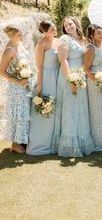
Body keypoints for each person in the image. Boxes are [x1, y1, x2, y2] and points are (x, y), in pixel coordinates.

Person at [52, 16, 94, 157]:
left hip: (81, 76)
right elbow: (63, 60)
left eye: (70, 24)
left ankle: (82, 142)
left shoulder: (82, 41)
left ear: (76, 24)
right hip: (68, 76)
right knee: (70, 109)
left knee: (81, 109)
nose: (68, 27)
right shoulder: (65, 39)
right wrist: (71, 79)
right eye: (65, 25)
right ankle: (69, 145)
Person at [26, 20, 59, 155]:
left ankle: (52, 142)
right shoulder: (41, 43)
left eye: (54, 27)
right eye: (51, 29)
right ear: (44, 32)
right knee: (45, 106)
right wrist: (39, 84)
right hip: (46, 77)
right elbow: (38, 66)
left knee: (55, 109)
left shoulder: (57, 41)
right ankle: (39, 143)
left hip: (57, 76)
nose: (54, 30)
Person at [0, 25, 31, 153]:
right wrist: (17, 80)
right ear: (12, 35)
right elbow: (1, 71)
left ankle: (22, 140)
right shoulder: (8, 50)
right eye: (19, 35)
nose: (21, 36)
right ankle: (15, 143)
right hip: (16, 87)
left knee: (25, 113)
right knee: (18, 113)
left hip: (25, 84)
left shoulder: (20, 44)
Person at [84, 24, 102, 151]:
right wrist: (99, 79)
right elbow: (86, 69)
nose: (101, 35)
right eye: (98, 33)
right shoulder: (90, 48)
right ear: (91, 35)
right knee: (97, 111)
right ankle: (98, 140)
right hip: (95, 83)